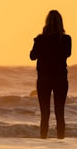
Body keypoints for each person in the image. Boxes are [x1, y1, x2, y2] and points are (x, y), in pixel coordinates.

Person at [30, 10, 72, 139]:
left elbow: (32, 56)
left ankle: (43, 140)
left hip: (44, 79)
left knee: (45, 114)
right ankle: (61, 140)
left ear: (46, 22)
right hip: (60, 78)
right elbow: (67, 54)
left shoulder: (40, 39)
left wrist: (38, 43)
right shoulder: (66, 39)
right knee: (60, 113)